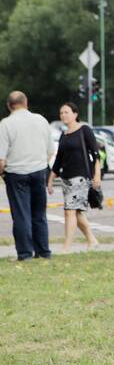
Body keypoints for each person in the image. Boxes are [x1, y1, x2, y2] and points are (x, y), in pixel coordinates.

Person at [0, 91, 54, 260]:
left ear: (9, 106)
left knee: (21, 214)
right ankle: (43, 251)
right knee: (39, 214)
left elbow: (1, 158)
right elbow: (50, 151)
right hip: (39, 171)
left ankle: (25, 253)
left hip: (16, 174)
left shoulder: (6, 124)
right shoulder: (41, 120)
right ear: (26, 102)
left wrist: (2, 172)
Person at [47, 102, 101, 253]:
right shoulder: (64, 135)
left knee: (69, 211)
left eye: (66, 112)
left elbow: (96, 154)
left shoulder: (84, 130)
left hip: (82, 177)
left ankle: (66, 247)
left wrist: (97, 175)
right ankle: (92, 240)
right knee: (76, 212)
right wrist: (51, 179)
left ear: (75, 114)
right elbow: (59, 161)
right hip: (67, 179)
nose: (63, 115)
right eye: (61, 113)